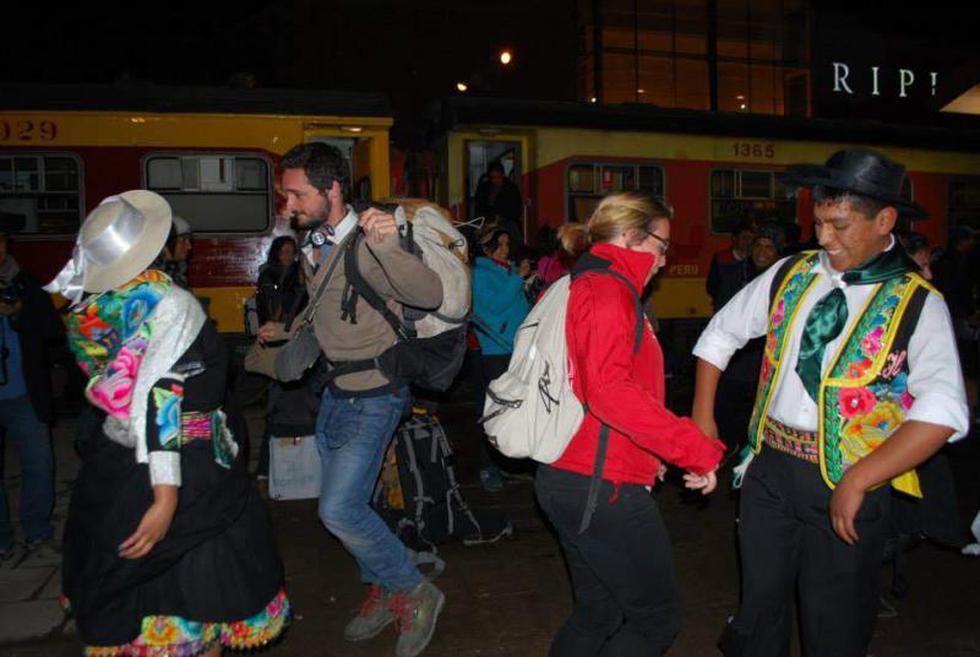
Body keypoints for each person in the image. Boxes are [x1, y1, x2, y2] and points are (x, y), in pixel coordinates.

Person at [692, 150, 969, 657]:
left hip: (851, 483)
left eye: (839, 225)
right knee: (759, 609)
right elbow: (719, 336)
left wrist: (859, 478)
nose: (823, 239)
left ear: (884, 220)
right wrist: (703, 420)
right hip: (769, 472)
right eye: (818, 223)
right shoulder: (788, 273)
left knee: (834, 621)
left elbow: (944, 412)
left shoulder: (917, 301)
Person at [47, 191, 289, 656]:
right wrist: (165, 497)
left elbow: (126, 395)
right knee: (203, 601)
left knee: (145, 597)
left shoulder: (94, 310)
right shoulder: (171, 305)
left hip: (116, 464)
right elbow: (163, 396)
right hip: (185, 469)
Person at [259, 142, 445, 657]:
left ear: (331, 189)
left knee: (338, 510)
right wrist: (288, 333)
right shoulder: (318, 242)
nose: (286, 204)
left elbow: (428, 294)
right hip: (337, 394)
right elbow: (330, 313)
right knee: (354, 505)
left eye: (296, 194)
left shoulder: (375, 237)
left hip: (376, 394)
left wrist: (388, 246)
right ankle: (385, 585)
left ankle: (414, 589)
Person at [536, 192, 725, 657]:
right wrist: (694, 450)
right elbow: (610, 394)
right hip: (599, 486)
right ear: (631, 238)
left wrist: (651, 455)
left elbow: (609, 389)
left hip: (579, 475)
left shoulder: (590, 283)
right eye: (662, 247)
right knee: (655, 621)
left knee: (598, 612)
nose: (664, 261)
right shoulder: (607, 293)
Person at [0, 230, 63, 560]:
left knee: (38, 463)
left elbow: (53, 329)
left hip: (24, 392)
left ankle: (37, 530)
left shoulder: (25, 284)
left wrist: (20, 313)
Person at [713, 223, 785, 454]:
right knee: (728, 416)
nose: (762, 252)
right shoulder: (735, 275)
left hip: (764, 365)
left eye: (769, 248)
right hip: (734, 363)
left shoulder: (786, 281)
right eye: (758, 246)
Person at [471, 226, 531, 491]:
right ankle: (489, 467)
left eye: (508, 244)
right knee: (493, 411)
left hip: (516, 349)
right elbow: (492, 308)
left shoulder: (506, 271)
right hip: (495, 352)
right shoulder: (479, 274)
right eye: (502, 245)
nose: (507, 250)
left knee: (515, 409)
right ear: (488, 248)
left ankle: (510, 464)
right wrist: (517, 279)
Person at [254, 235, 309, 484]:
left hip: (295, 340)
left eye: (291, 251)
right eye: (284, 251)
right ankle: (268, 466)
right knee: (278, 402)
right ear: (276, 253)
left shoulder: (299, 274)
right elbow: (270, 307)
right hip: (279, 338)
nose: (288, 255)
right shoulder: (269, 276)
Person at [706, 220, 755, 311]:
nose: (747, 242)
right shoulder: (721, 258)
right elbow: (711, 285)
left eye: (750, 238)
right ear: (734, 239)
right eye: (744, 238)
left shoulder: (755, 260)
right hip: (725, 306)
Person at [473, 162, 523, 247]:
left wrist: (499, 219)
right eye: (492, 177)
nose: (495, 180)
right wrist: (483, 223)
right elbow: (479, 208)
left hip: (507, 224)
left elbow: (516, 211)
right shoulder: (484, 188)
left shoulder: (511, 189)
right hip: (487, 224)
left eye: (497, 177)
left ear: (503, 175)